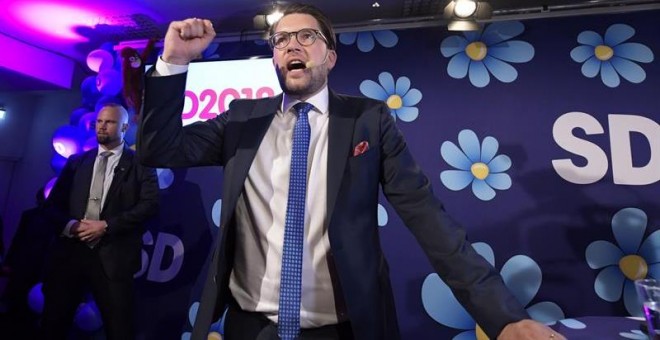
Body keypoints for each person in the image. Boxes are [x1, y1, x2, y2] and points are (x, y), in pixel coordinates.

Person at [138, 3, 565, 340]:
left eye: (307, 36)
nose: (292, 45)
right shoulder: (241, 119)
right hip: (251, 328)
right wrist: (174, 63)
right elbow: (159, 148)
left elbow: (429, 220)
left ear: (331, 54)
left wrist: (503, 316)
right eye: (282, 39)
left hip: (343, 329)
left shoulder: (369, 120)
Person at [41, 103, 159, 340]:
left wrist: (106, 226)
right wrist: (72, 226)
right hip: (70, 256)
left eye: (110, 122)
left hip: (113, 260)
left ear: (125, 127)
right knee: (53, 325)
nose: (102, 126)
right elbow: (52, 207)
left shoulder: (140, 165)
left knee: (119, 329)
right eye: (99, 121)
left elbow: (150, 206)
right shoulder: (76, 162)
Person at [0, 187, 54, 337]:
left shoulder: (49, 219)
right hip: (25, 264)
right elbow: (18, 240)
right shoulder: (30, 215)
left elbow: (17, 240)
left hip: (35, 265)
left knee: (28, 305)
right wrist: (8, 263)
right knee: (18, 300)